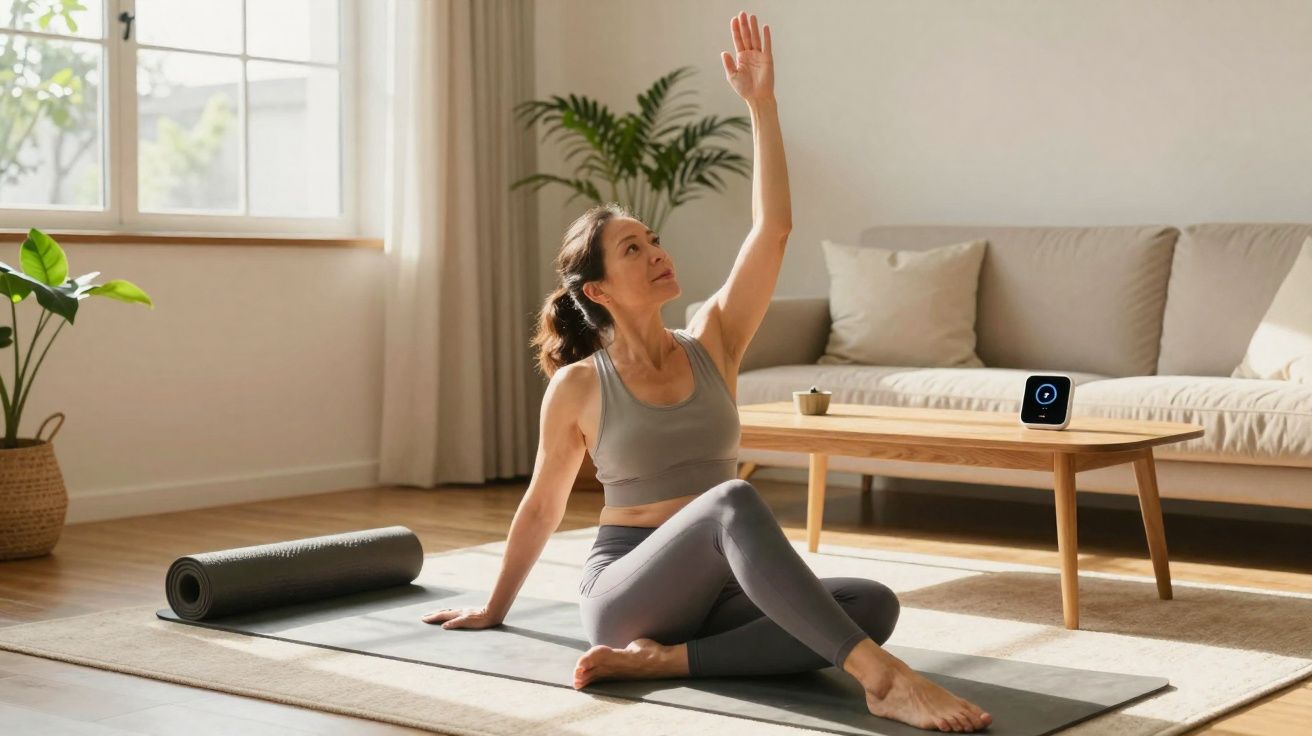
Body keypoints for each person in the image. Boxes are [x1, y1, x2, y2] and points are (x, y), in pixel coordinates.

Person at [420, 11, 992, 733]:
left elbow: (772, 230)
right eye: (633, 249)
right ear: (596, 290)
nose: (656, 251)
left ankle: (665, 663)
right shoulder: (581, 385)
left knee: (872, 603)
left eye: (653, 239)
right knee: (732, 501)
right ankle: (885, 679)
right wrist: (494, 608)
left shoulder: (712, 339)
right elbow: (542, 505)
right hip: (627, 591)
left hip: (719, 591)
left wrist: (762, 106)